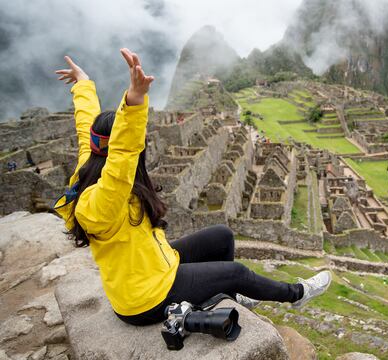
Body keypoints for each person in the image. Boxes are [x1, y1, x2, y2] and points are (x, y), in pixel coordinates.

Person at [53, 49, 331, 326]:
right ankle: (296, 294)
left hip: (152, 265)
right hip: (145, 299)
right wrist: (135, 102)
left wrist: (83, 85)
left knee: (221, 236)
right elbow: (122, 156)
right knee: (237, 272)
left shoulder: (88, 167)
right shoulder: (102, 201)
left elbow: (85, 128)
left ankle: (227, 295)